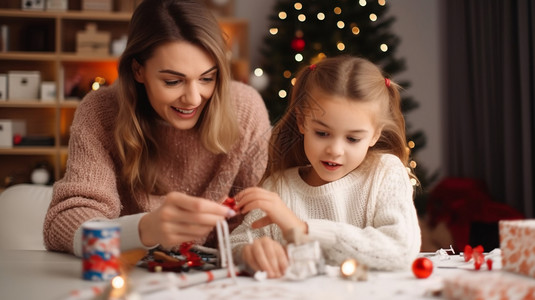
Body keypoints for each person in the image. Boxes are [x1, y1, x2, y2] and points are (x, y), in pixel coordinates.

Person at [43, 0, 271, 256]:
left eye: (207, 78)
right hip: (131, 281)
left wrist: (255, 249)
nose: (194, 98)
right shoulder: (100, 112)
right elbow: (63, 224)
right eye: (173, 81)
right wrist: (143, 230)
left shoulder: (246, 107)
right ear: (138, 70)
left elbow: (264, 215)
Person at [230, 56, 422, 278]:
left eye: (352, 139)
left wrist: (304, 230)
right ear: (302, 122)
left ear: (375, 135)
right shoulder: (279, 187)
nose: (335, 150)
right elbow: (237, 243)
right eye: (322, 133)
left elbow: (401, 249)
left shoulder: (385, 172)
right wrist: (249, 252)